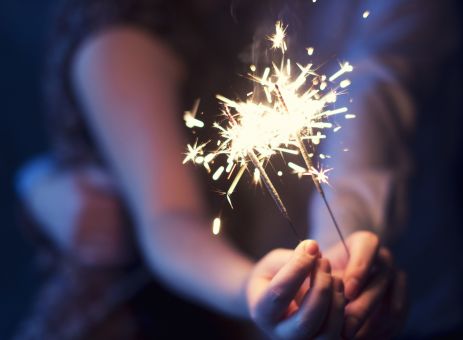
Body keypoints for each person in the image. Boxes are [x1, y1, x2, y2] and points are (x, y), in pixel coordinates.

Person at [16, 0, 410, 338]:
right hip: (127, 319)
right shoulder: (124, 22)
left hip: (210, 315)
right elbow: (168, 219)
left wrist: (37, 180)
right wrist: (250, 288)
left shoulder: (222, 12)